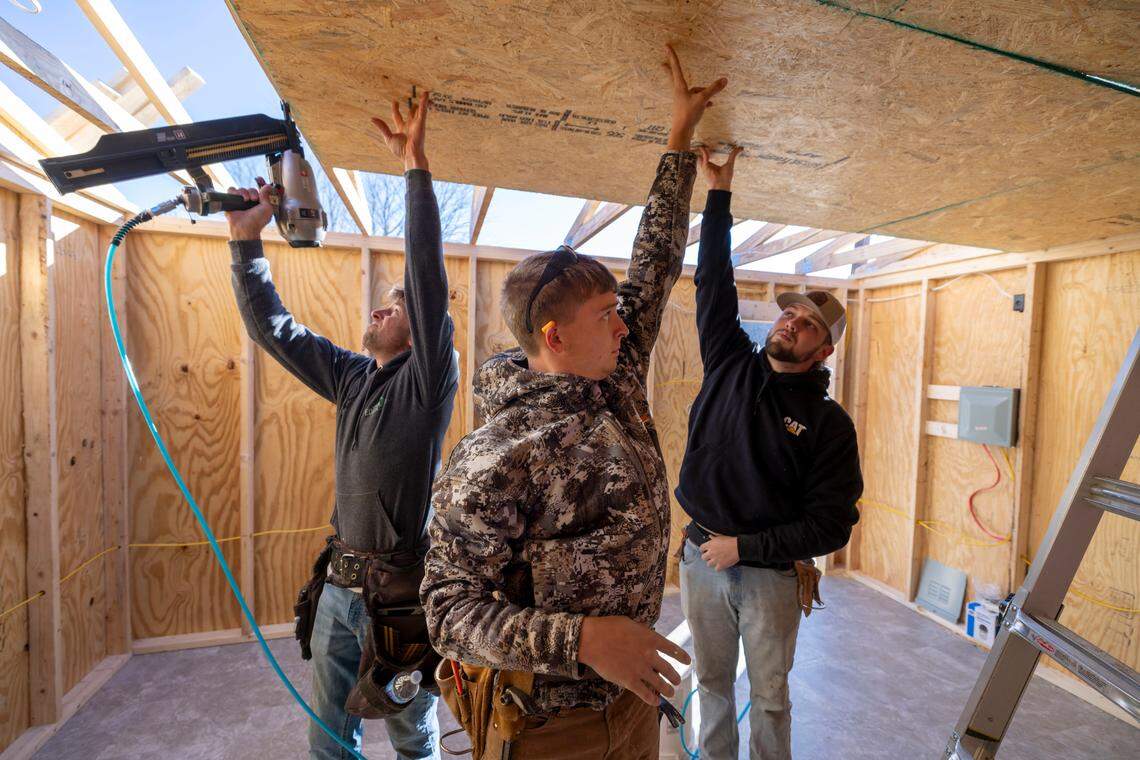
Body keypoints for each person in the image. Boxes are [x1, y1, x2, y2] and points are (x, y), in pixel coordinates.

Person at [420, 45, 726, 759]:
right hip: (548, 729)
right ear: (553, 336)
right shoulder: (496, 455)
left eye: (620, 312)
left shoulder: (610, 378)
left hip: (631, 705)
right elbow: (447, 611)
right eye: (607, 317)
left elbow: (653, 264)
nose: (627, 325)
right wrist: (584, 640)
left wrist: (677, 142)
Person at [224, 89, 456, 760]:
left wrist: (416, 171)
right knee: (329, 731)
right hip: (338, 589)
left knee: (412, 730)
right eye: (384, 303)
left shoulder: (426, 382)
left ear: (424, 332)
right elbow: (277, 333)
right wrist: (246, 246)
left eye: (399, 305)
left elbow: (429, 282)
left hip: (402, 596)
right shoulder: (354, 376)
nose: (385, 309)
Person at [674, 146, 864, 760]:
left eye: (809, 325)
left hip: (767, 577)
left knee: (772, 696)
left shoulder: (829, 425)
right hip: (701, 557)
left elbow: (832, 523)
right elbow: (712, 282)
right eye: (790, 316)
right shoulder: (729, 361)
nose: (791, 325)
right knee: (709, 685)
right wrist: (719, 195)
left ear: (823, 351)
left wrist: (747, 548)